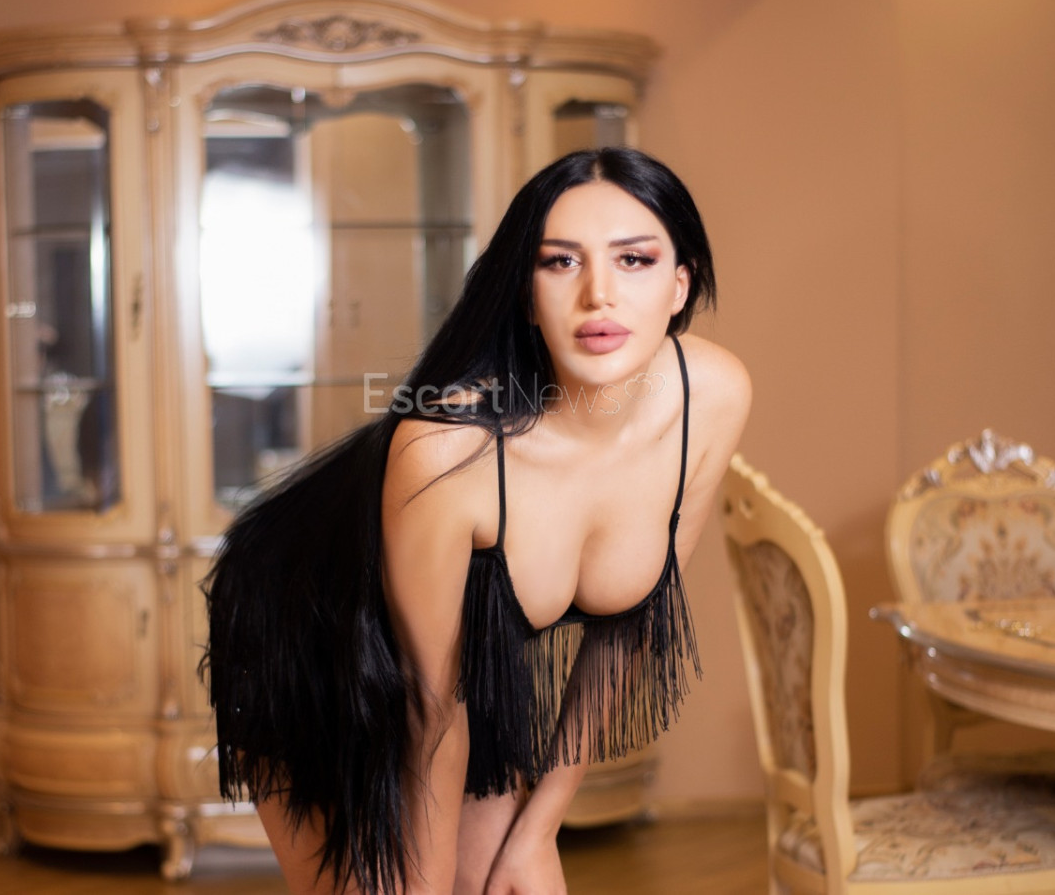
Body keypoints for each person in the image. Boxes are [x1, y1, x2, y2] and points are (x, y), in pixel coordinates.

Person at [201, 147, 751, 895]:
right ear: (525, 294)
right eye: (561, 262)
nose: (599, 295)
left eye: (634, 260)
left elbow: (632, 624)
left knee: (515, 879)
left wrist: (539, 831)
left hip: (461, 671)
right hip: (317, 630)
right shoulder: (448, 450)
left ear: (680, 283)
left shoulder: (712, 395)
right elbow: (428, 707)